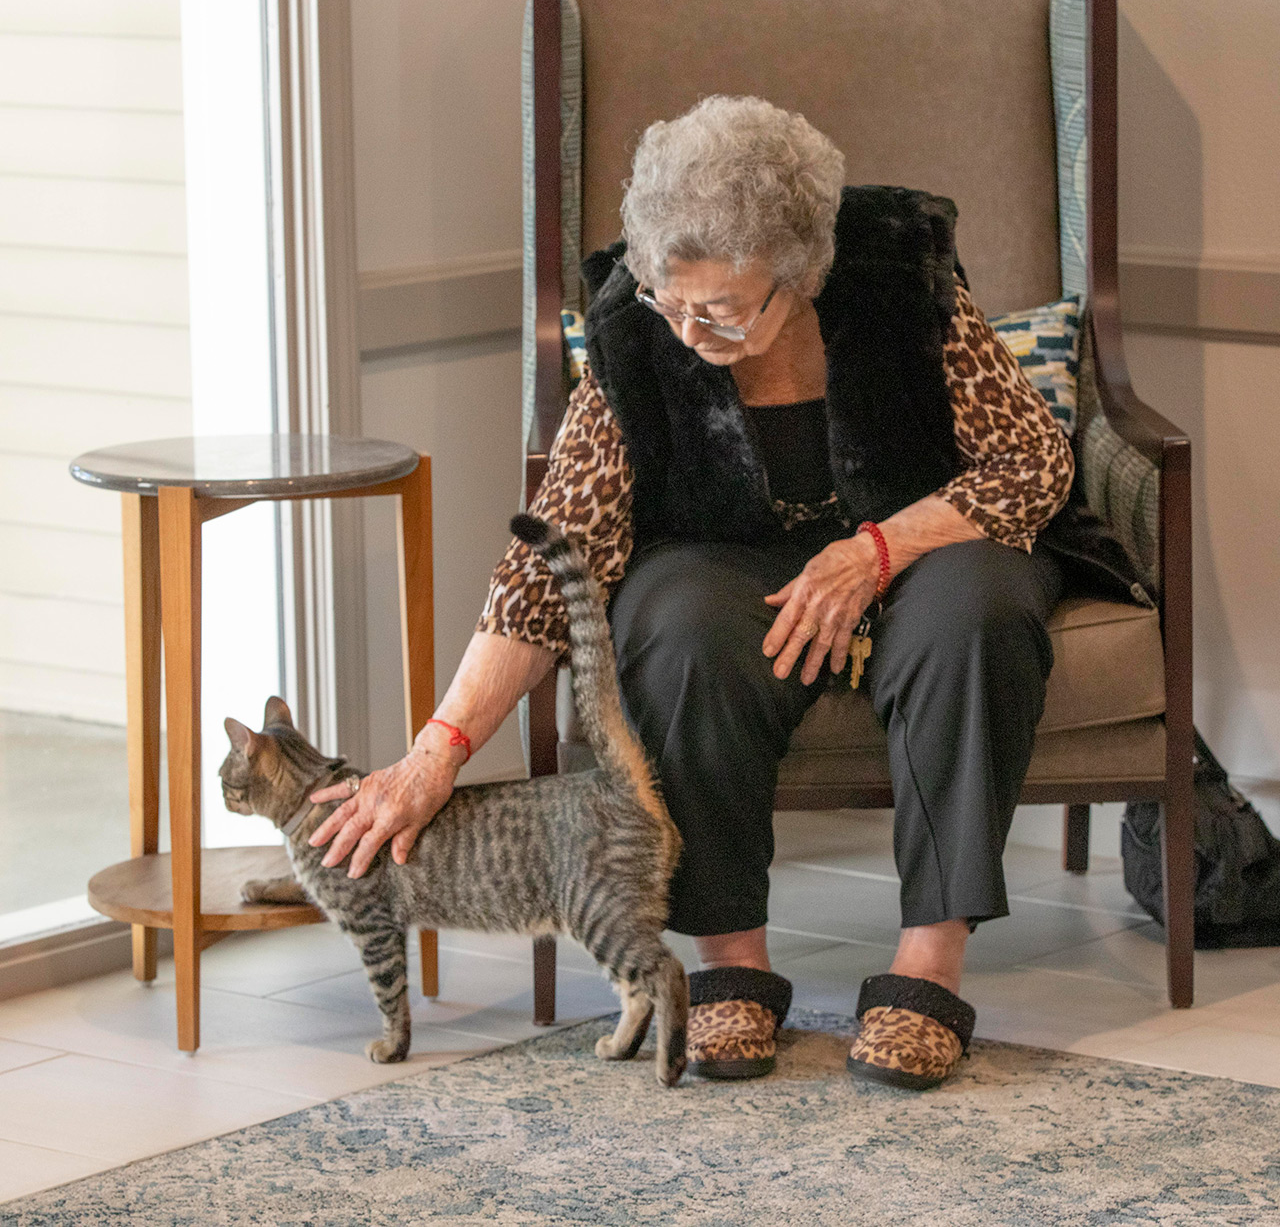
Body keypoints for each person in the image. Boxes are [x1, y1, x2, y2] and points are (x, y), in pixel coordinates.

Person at [309, 96, 1075, 1090]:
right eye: (672, 300)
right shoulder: (639, 325)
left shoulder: (897, 278)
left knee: (974, 616)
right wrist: (434, 751)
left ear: (799, 275)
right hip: (726, 552)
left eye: (719, 309)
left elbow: (1029, 458)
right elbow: (556, 552)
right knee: (672, 625)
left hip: (923, 538)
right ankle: (729, 966)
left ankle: (926, 964)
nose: (687, 326)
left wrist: (877, 549)